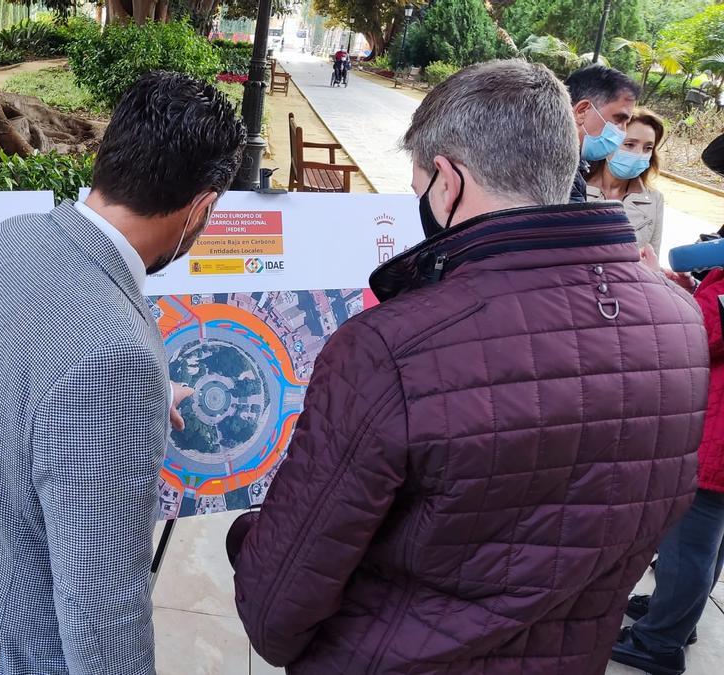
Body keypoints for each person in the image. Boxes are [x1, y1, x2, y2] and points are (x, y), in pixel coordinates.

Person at [226, 59, 707, 673]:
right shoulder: (676, 318)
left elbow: (279, 606)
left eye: (420, 183)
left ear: (447, 182)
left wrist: (248, 538)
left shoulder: (392, 346)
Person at [0, 71, 243, 675]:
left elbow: (28, 385)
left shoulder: (11, 240)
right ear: (201, 208)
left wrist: (147, 397)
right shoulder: (112, 360)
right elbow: (102, 604)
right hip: (17, 649)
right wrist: (131, 394)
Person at [610, 155, 724, 675]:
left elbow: (706, 328)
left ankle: (659, 642)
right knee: (708, 543)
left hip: (716, 440)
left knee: (687, 545)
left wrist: (654, 284)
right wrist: (679, 284)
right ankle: (677, 615)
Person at [586, 109, 666, 253]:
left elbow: (651, 262)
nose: (638, 154)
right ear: (608, 143)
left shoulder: (654, 200)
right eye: (629, 144)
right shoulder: (575, 188)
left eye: (648, 148)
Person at [566, 64, 640, 203]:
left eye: (626, 123)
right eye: (618, 120)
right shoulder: (550, 169)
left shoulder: (571, 166)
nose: (623, 132)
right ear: (582, 111)